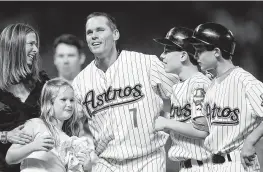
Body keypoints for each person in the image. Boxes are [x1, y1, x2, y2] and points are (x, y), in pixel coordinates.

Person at [72, 12, 180, 172]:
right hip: (106, 163)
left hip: (148, 160)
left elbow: (184, 90)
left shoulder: (146, 63)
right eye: (89, 32)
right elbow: (70, 125)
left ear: (115, 34)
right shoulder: (80, 82)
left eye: (100, 30)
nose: (94, 36)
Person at [185, 22, 263, 171]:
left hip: (239, 163)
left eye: (199, 50)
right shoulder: (211, 85)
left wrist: (250, 142)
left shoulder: (245, 81)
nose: (195, 56)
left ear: (216, 52)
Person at [0, 23, 50, 172]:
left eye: (36, 44)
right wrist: (5, 136)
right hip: (2, 167)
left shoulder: (42, 82)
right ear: (15, 47)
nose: (36, 49)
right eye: (31, 44)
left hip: (39, 166)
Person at [153, 27, 212, 172]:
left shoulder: (199, 83)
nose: (162, 55)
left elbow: (202, 130)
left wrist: (167, 122)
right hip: (188, 166)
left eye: (167, 50)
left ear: (183, 56)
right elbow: (186, 123)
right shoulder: (179, 86)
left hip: (204, 166)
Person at [5, 78, 96, 172]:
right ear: (50, 103)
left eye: (72, 100)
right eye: (63, 99)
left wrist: (87, 168)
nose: (69, 104)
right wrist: (33, 146)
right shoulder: (35, 125)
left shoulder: (69, 141)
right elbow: (10, 157)